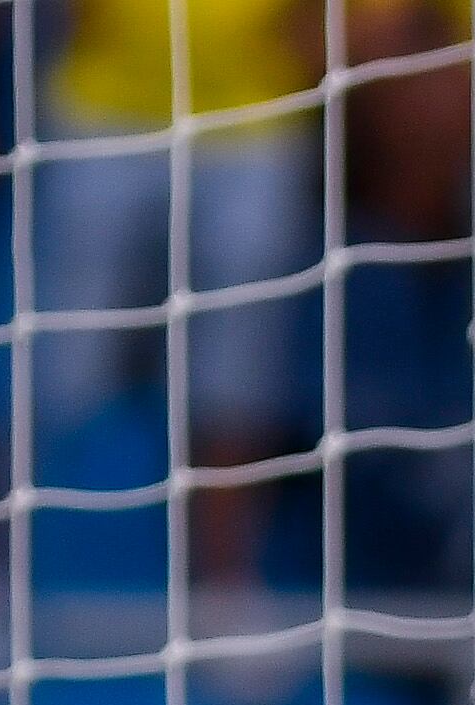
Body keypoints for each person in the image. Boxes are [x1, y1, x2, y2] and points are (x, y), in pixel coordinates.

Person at [33, 0, 327, 584]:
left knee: (238, 379)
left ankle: (225, 585)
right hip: (103, 106)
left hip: (256, 120)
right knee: (52, 366)